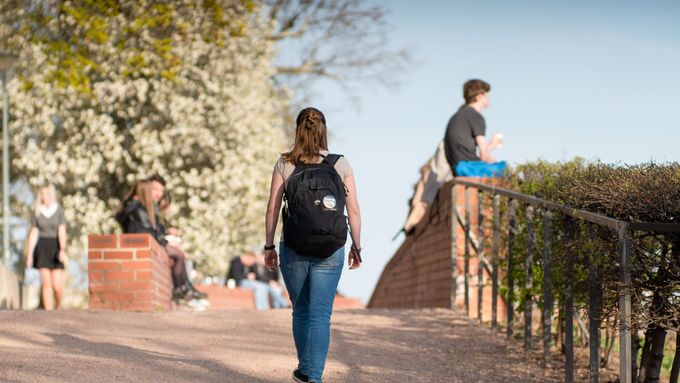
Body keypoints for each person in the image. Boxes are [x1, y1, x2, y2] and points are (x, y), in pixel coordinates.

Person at [264, 107, 363, 383]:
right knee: (320, 314)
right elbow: (353, 209)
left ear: (298, 130)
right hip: (331, 248)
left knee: (302, 310)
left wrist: (269, 246)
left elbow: (273, 207)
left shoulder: (285, 164)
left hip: (293, 246)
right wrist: (357, 246)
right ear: (323, 131)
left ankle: (306, 369)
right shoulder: (339, 164)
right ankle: (313, 376)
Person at [115, 180, 206, 311]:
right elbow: (147, 231)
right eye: (153, 190)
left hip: (148, 243)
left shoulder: (138, 207)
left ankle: (186, 290)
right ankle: (183, 292)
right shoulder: (137, 207)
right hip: (143, 246)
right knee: (179, 255)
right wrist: (163, 241)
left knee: (180, 254)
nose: (157, 194)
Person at [444, 79, 506, 177]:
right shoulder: (475, 116)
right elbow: (484, 156)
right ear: (479, 96)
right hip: (471, 168)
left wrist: (491, 146)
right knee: (505, 169)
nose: (488, 98)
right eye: (486, 95)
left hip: (457, 167)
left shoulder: (457, 116)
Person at [26, 183, 68, 310]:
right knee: (46, 283)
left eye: (48, 194)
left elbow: (62, 231)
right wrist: (30, 254)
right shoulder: (38, 211)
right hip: (42, 247)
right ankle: (48, 314)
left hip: (55, 246)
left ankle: (59, 307)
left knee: (57, 286)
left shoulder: (59, 210)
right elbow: (34, 233)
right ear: (40, 196)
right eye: (43, 194)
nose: (46, 197)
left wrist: (62, 249)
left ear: (52, 195)